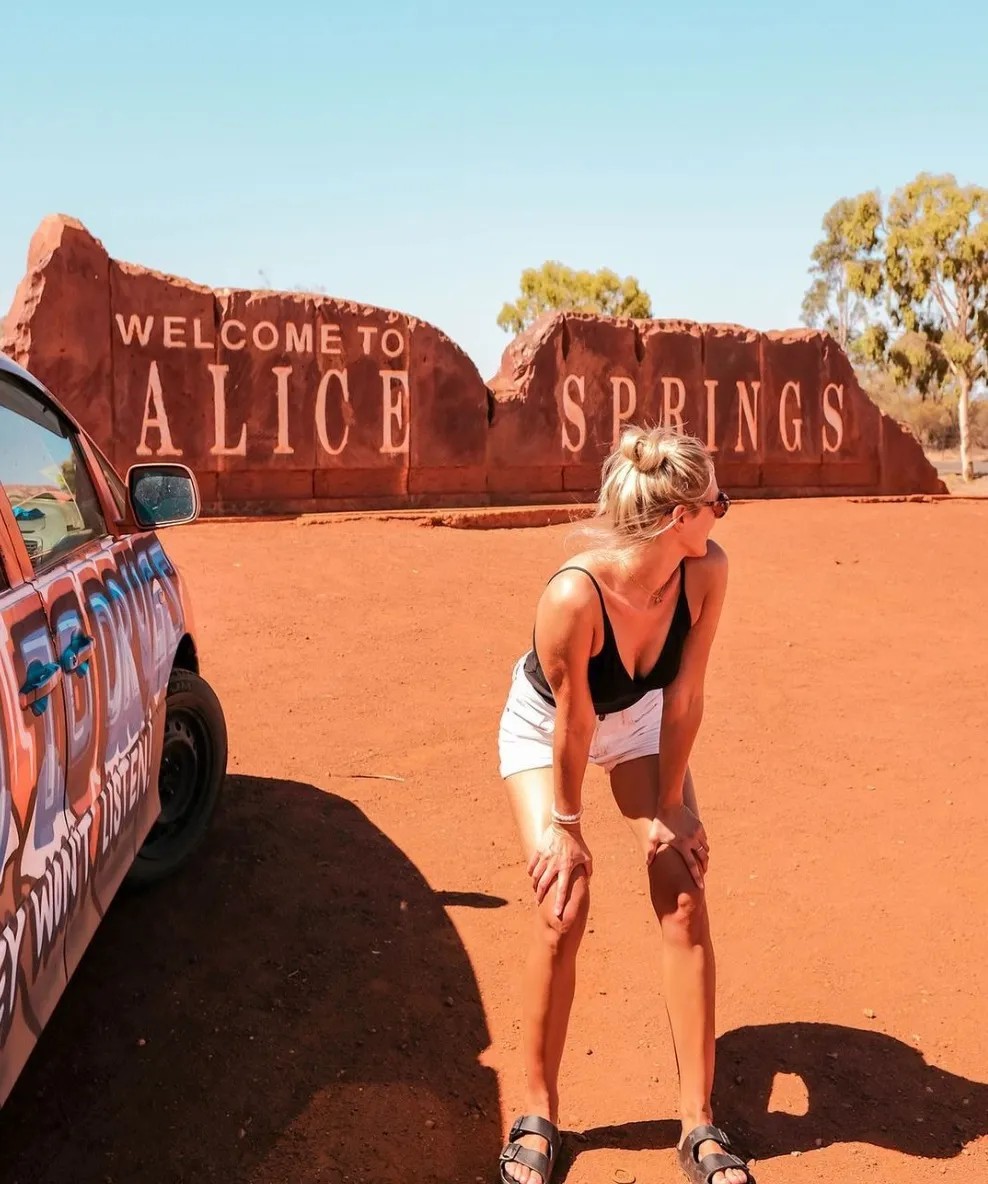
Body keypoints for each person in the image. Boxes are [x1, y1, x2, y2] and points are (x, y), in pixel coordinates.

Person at [495, 425, 754, 1184]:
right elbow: (574, 722)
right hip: (547, 729)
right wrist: (568, 829)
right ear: (679, 517)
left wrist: (667, 807)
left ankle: (699, 1123)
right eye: (718, 503)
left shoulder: (706, 573)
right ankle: (536, 1111)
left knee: (683, 891)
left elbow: (686, 696)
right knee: (562, 900)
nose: (724, 512)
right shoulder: (574, 596)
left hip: (641, 718)